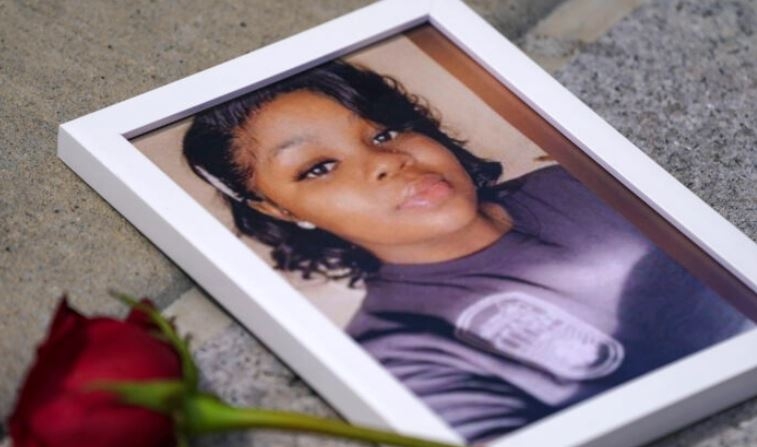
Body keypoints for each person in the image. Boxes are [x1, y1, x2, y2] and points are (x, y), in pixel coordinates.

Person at [182, 61, 752, 443]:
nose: (387, 161)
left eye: (382, 134)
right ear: (280, 210)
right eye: (319, 167)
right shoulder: (400, 355)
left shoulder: (578, 182)